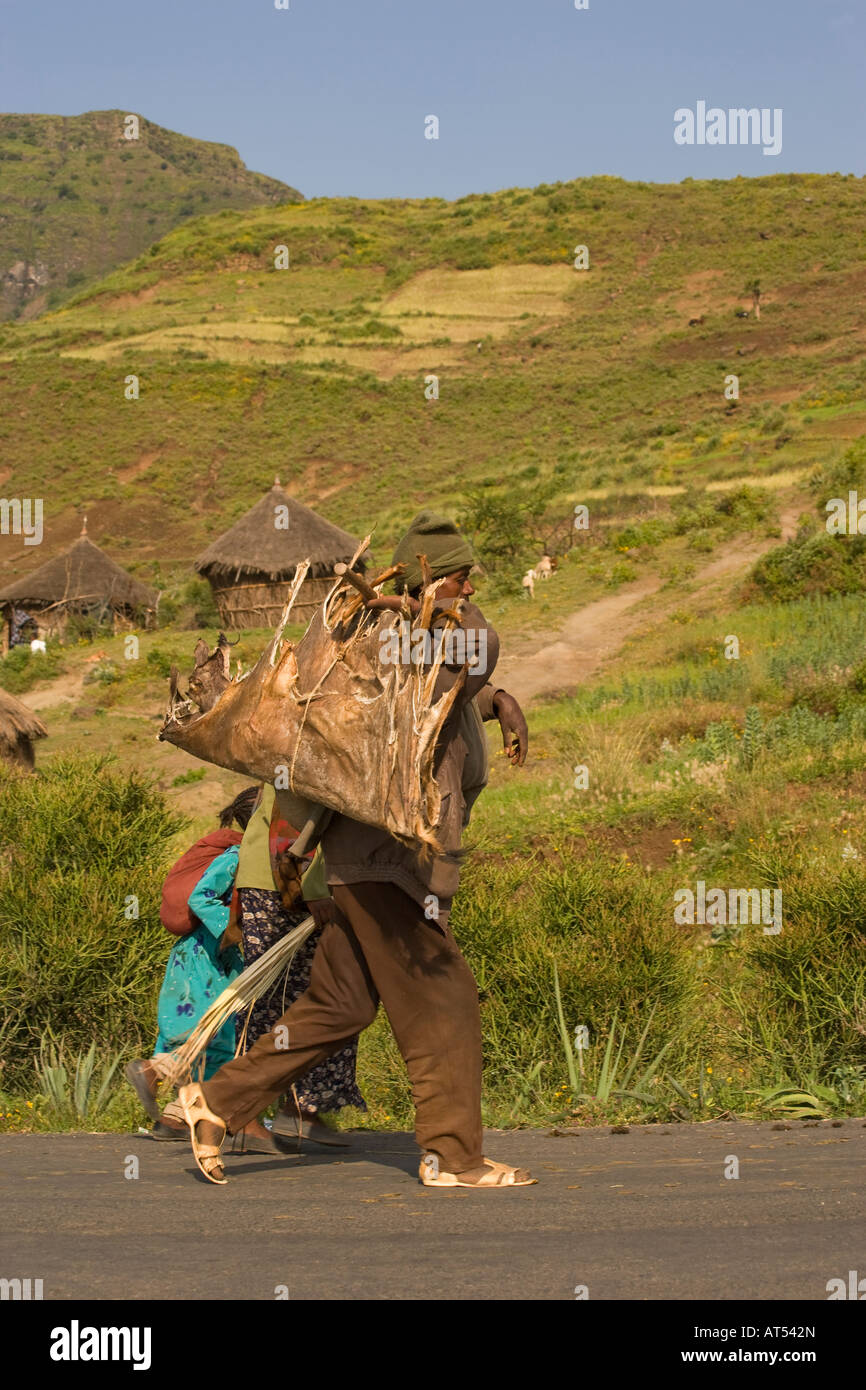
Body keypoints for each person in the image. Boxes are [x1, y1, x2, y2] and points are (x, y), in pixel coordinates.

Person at [179, 510, 536, 1188]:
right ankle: (453, 1157)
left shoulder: (412, 634)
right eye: (458, 577)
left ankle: (215, 1101)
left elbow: (449, 685)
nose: (467, 589)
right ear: (427, 576)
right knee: (444, 1000)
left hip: (361, 865)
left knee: (342, 1004)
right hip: (386, 864)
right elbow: (476, 648)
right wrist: (430, 606)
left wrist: (499, 702)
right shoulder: (387, 631)